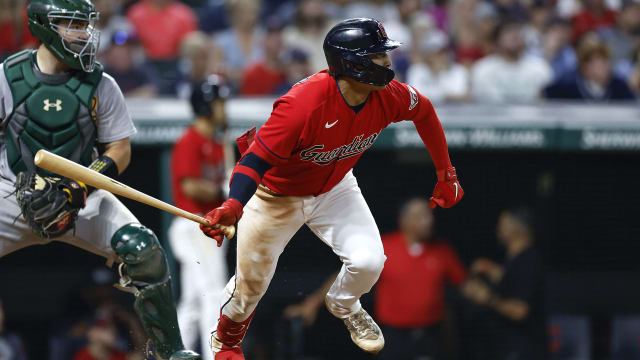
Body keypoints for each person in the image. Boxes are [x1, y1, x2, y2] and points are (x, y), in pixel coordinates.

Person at [199, 18, 465, 359]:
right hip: (275, 196)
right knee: (252, 286)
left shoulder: (388, 95)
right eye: (378, 55)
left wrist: (447, 173)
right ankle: (226, 342)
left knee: (369, 261)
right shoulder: (302, 105)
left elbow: (425, 112)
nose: (388, 62)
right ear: (352, 64)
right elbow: (254, 161)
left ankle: (344, 303)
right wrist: (235, 204)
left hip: (335, 188)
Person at [0, 1, 200, 359]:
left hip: (81, 195)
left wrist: (81, 187)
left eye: (86, 24)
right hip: (11, 190)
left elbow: (120, 149)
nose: (84, 33)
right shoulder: (7, 76)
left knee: (144, 251)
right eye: (72, 24)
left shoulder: (101, 83)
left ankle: (171, 352)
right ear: (44, 25)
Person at [284, 198, 467, 360]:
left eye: (428, 216)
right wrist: (312, 303)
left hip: (430, 335)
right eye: (420, 216)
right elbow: (347, 276)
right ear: (404, 221)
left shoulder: (442, 251)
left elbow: (464, 283)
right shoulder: (384, 248)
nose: (428, 221)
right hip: (392, 336)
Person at [169, 76, 233, 360]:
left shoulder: (218, 142)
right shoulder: (190, 140)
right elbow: (190, 186)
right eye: (220, 102)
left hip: (209, 226)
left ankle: (179, 353)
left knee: (193, 300)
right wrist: (223, 190)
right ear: (207, 105)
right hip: (194, 223)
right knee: (212, 294)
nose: (224, 108)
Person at [462, 207, 547, 360]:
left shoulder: (529, 261)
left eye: (503, 224)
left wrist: (487, 298)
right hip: (505, 348)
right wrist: (493, 270)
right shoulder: (514, 261)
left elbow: (520, 310)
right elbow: (511, 281)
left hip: (523, 350)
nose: (498, 230)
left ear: (517, 228)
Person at [471, 19, 552, 103]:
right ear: (497, 40)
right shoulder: (482, 69)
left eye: (518, 31)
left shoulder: (539, 67)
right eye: (508, 31)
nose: (514, 35)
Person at [543, 40, 636, 100]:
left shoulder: (619, 87)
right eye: (601, 63)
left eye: (607, 62)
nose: (607, 67)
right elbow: (545, 96)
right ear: (585, 67)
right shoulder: (567, 86)